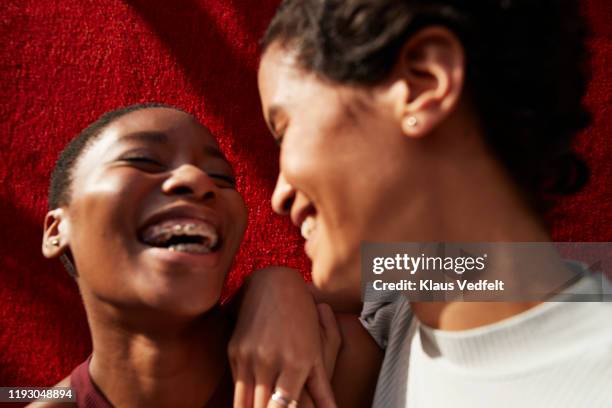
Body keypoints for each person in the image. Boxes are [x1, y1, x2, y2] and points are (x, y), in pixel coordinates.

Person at [229, 0, 612, 407]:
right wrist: (274, 286)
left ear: (424, 83)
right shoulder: (413, 298)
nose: (278, 196)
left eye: (286, 130)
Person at [33, 103, 348, 408]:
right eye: (143, 160)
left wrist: (281, 281)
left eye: (221, 177)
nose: (198, 180)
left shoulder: (331, 359)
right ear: (56, 231)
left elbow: (397, 277)